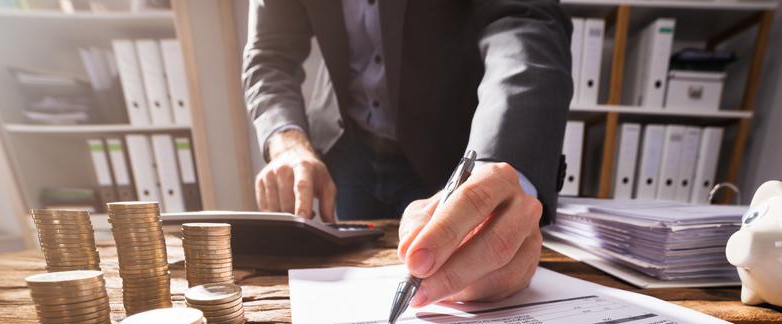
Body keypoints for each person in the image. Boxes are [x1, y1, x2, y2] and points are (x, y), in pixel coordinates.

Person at [242, 0, 572, 306]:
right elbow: (269, 53)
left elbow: (523, 18)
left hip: (445, 150)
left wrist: (498, 169)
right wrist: (287, 142)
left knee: (469, 273)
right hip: (345, 155)